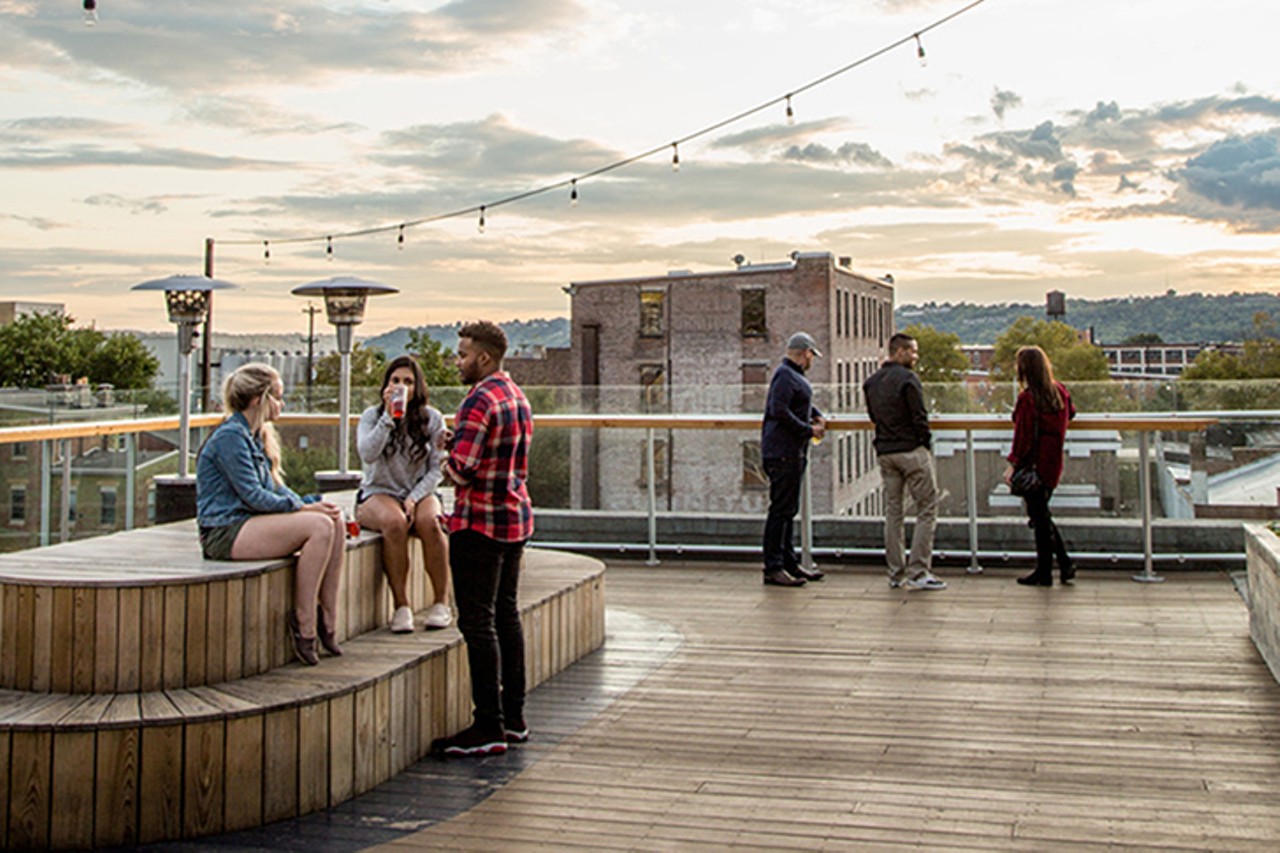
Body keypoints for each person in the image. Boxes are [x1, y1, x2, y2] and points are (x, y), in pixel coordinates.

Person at [196, 363, 346, 666]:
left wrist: (306, 502)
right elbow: (253, 496)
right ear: (258, 400)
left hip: (249, 523)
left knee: (335, 519)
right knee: (318, 527)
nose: (282, 403)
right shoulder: (230, 437)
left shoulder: (255, 436)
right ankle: (303, 621)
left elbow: (276, 490)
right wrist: (302, 509)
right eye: (277, 396)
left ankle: (327, 615)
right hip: (225, 531)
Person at [433, 320, 534, 758]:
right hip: (514, 517)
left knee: (476, 622)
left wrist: (442, 452)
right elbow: (497, 454)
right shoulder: (516, 395)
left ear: (484, 358)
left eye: (462, 354)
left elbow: (462, 470)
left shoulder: (477, 399)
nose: (458, 361)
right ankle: (513, 717)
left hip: (478, 523)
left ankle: (487, 725)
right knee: (506, 615)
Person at [354, 355, 453, 633]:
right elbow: (367, 454)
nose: (401, 386)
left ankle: (441, 602)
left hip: (419, 490)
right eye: (395, 381)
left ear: (417, 387)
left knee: (430, 523)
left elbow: (437, 469)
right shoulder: (371, 417)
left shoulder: (432, 419)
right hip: (378, 491)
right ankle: (401, 605)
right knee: (394, 523)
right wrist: (388, 417)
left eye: (408, 382)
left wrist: (414, 496)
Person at [863, 333, 946, 591]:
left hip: (885, 451)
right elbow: (919, 417)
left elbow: (874, 417)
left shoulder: (871, 383)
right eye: (912, 351)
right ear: (898, 351)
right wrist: (925, 444)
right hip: (911, 450)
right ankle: (919, 571)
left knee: (893, 512)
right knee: (927, 508)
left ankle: (895, 573)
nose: (915, 356)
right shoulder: (908, 379)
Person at [1003, 345, 1077, 586]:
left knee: (1040, 518)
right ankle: (1063, 565)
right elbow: (1071, 413)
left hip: (1033, 463)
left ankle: (1047, 570)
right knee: (1041, 515)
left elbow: (1022, 437)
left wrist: (1012, 465)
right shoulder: (1060, 392)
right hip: (1052, 462)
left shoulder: (1028, 399)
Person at [760, 331, 827, 587]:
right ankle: (773, 567)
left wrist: (816, 415)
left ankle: (789, 563)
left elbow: (798, 403)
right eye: (812, 355)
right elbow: (780, 409)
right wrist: (808, 429)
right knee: (780, 511)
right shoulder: (785, 375)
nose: (812, 360)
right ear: (805, 353)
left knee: (788, 510)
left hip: (791, 452)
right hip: (783, 452)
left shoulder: (792, 376)